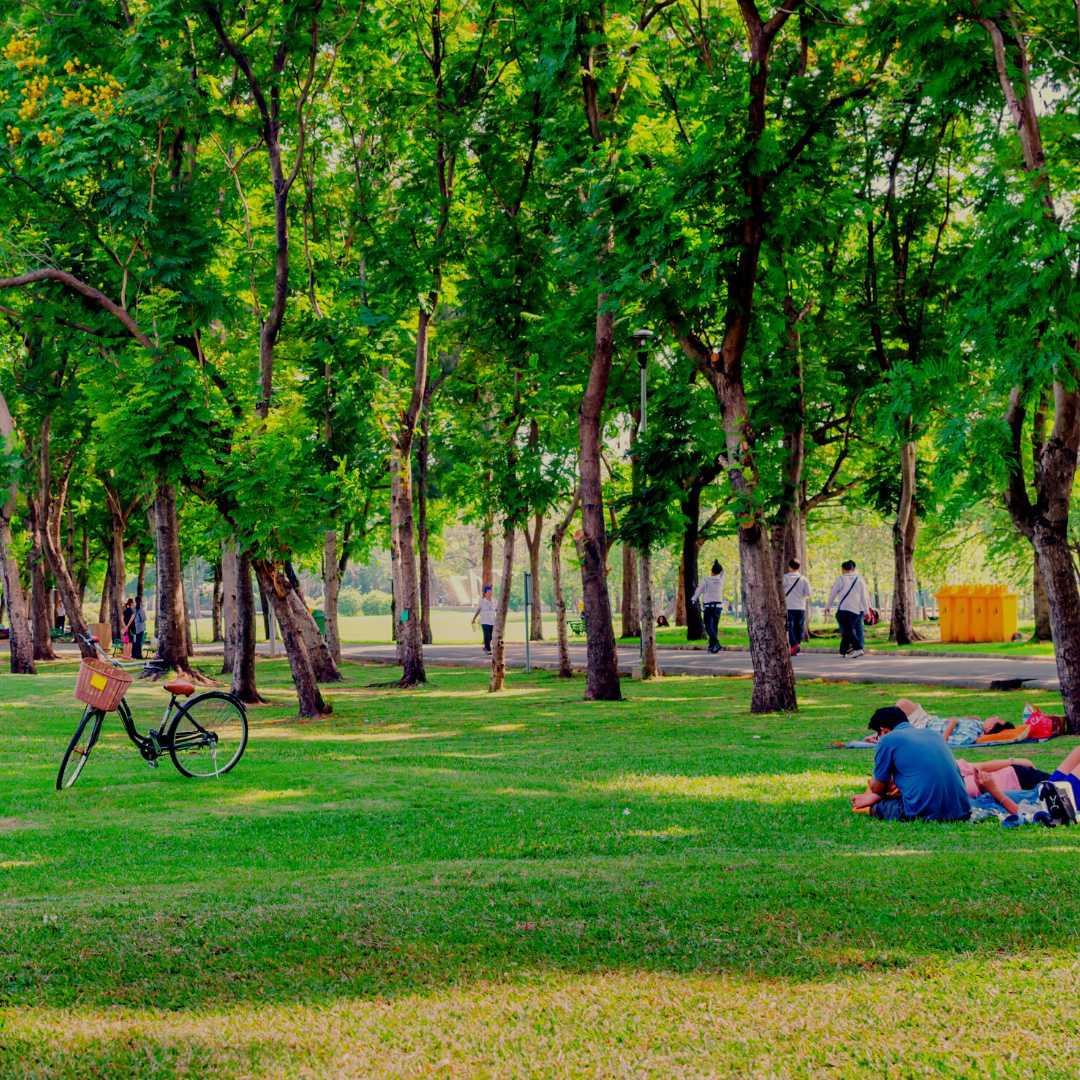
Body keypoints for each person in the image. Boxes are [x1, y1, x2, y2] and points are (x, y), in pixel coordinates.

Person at [851, 705, 971, 821]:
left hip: (924, 812)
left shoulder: (888, 740)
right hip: (961, 810)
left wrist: (874, 795)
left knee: (876, 806)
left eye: (878, 735)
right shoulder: (934, 735)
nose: (878, 739)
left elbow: (878, 788)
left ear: (884, 730)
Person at [827, 559, 871, 658]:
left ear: (843, 569)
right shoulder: (859, 580)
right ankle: (843, 650)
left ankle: (858, 648)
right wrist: (866, 611)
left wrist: (828, 606)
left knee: (848, 630)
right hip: (855, 611)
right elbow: (864, 597)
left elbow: (833, 593)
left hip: (843, 610)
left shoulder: (840, 579)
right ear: (852, 568)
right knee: (848, 630)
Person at [691, 560, 725, 654]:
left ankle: (716, 643)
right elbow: (723, 571)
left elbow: (699, 590)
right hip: (718, 607)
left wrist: (693, 599)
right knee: (714, 627)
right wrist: (717, 563)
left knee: (708, 627)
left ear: (711, 571)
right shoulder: (721, 580)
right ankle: (712, 647)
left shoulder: (706, 579)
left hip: (709, 607)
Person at [782, 559, 811, 656]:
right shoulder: (804, 579)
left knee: (790, 627)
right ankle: (797, 645)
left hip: (789, 607)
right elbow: (808, 594)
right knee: (799, 627)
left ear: (789, 567)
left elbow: (780, 591)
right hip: (801, 607)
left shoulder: (785, 578)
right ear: (799, 567)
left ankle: (794, 645)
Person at [471, 584, 496, 654]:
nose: (490, 594)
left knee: (491, 636)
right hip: (484, 621)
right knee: (486, 635)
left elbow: (497, 610)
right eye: (488, 592)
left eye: (491, 592)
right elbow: (478, 610)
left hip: (492, 621)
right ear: (485, 593)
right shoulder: (482, 601)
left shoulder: (494, 601)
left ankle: (485, 647)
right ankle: (488, 649)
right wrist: (474, 618)